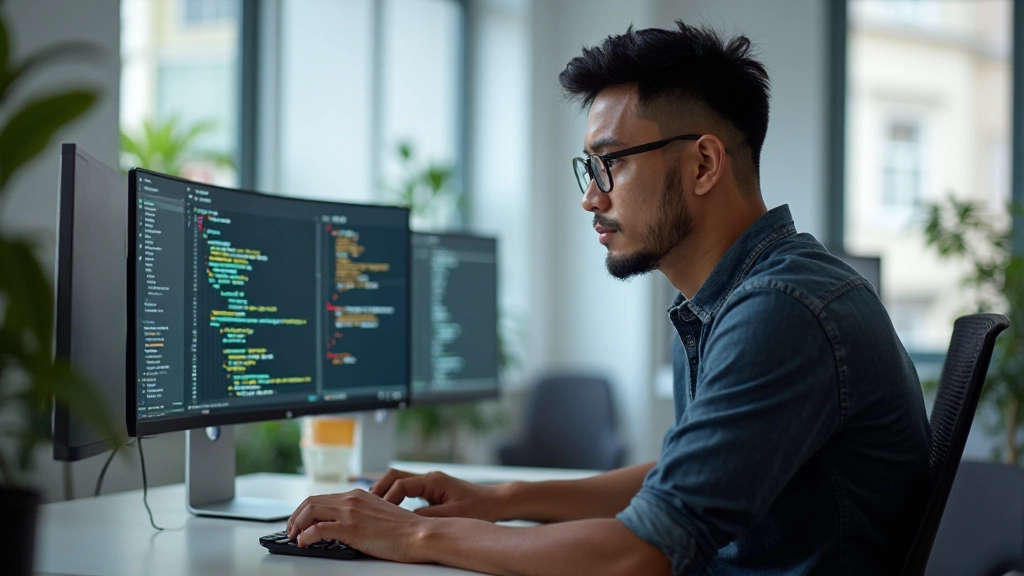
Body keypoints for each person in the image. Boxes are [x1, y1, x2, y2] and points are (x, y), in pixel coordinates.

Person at [286, 21, 930, 575]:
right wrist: (500, 499)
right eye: (588, 168)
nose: (591, 197)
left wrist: (408, 534)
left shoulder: (782, 310)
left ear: (704, 165)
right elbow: (676, 480)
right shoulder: (732, 300)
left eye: (611, 163)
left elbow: (640, 553)